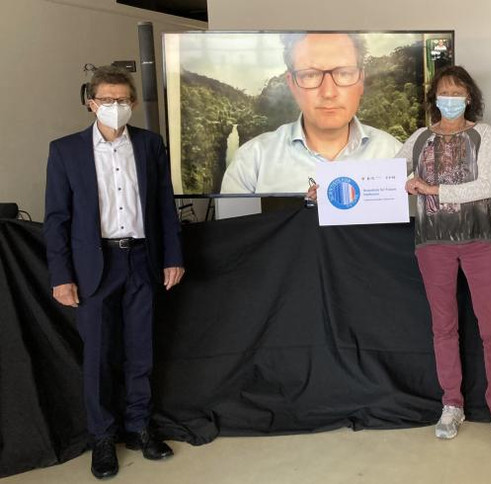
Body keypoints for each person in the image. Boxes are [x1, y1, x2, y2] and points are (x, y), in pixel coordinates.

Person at [44, 65, 185, 479]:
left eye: (122, 100)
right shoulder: (65, 150)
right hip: (93, 264)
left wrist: (172, 256)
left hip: (141, 258)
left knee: (141, 349)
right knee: (99, 355)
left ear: (134, 104)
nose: (115, 107)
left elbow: (163, 205)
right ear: (91, 103)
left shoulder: (148, 144)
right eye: (107, 100)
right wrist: (60, 275)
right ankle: (102, 437)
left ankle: (140, 427)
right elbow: (56, 219)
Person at [397, 65, 491, 444]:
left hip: (478, 239)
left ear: (469, 97)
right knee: (443, 327)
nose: (449, 98)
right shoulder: (418, 139)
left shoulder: (482, 133)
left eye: (457, 91)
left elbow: (485, 186)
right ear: (434, 98)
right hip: (431, 242)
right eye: (443, 91)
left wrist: (430, 190)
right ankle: (452, 404)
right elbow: (381, 173)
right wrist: (331, 183)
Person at [220, 33, 402, 195]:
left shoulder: (394, 154)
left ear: (361, 80)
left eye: (344, 73)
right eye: (310, 75)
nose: (328, 92)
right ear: (292, 84)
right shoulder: (253, 160)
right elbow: (233, 231)